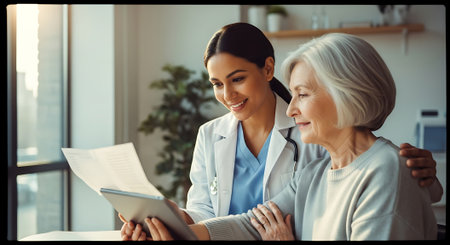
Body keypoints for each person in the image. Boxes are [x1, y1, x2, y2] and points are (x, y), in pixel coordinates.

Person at [120, 24, 442, 241]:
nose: (290, 108)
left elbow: (408, 190)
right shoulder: (315, 174)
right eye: (217, 84)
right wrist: (178, 228)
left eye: (302, 94)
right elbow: (251, 222)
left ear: (346, 94)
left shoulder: (382, 171)